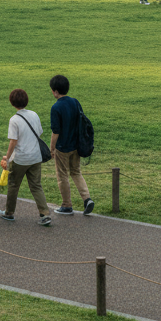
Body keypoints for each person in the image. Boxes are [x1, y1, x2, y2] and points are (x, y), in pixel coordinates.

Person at [0, 89, 52, 226]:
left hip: (20, 158)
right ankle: (44, 214)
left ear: (12, 102)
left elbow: (13, 141)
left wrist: (7, 157)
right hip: (35, 157)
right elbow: (39, 132)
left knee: (13, 185)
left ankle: (9, 212)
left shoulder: (14, 120)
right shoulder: (34, 114)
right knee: (36, 186)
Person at [48, 75, 94, 216]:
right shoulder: (75, 102)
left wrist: (52, 148)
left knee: (62, 176)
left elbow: (56, 131)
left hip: (62, 147)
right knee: (76, 172)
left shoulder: (56, 107)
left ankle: (67, 205)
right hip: (76, 145)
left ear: (55, 91)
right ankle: (87, 199)